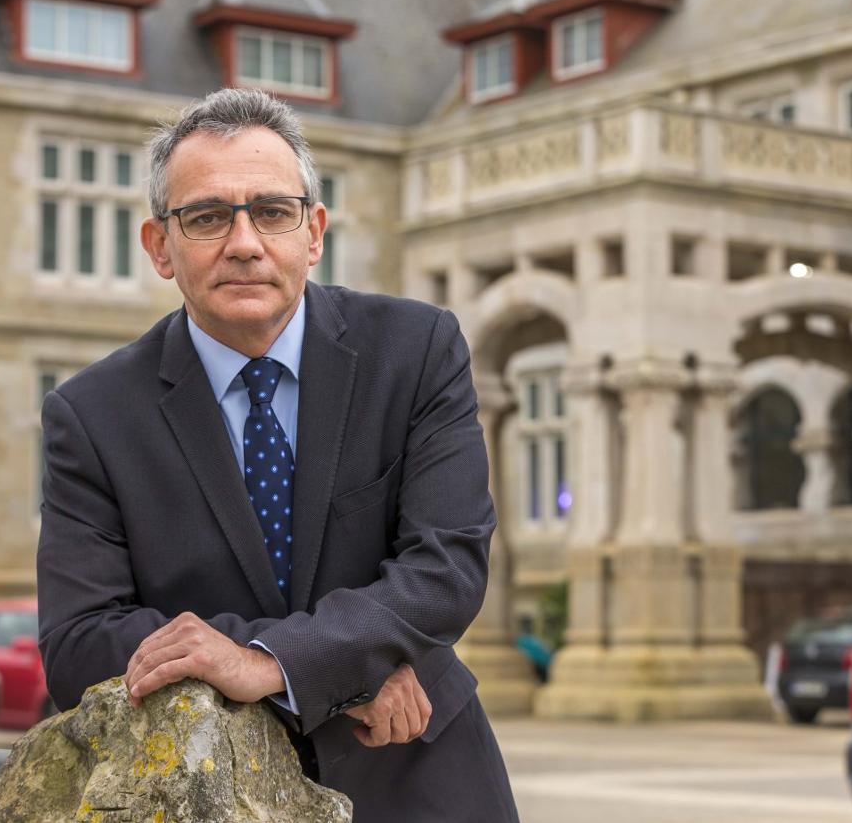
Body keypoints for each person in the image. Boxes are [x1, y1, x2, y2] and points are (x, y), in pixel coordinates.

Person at [36, 88, 519, 822]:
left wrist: (275, 662)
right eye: (205, 217)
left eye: (271, 211)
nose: (244, 243)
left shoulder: (416, 351)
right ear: (160, 246)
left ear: (314, 230)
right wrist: (345, 666)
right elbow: (79, 643)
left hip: (422, 775)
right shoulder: (92, 414)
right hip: (215, 798)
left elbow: (447, 568)